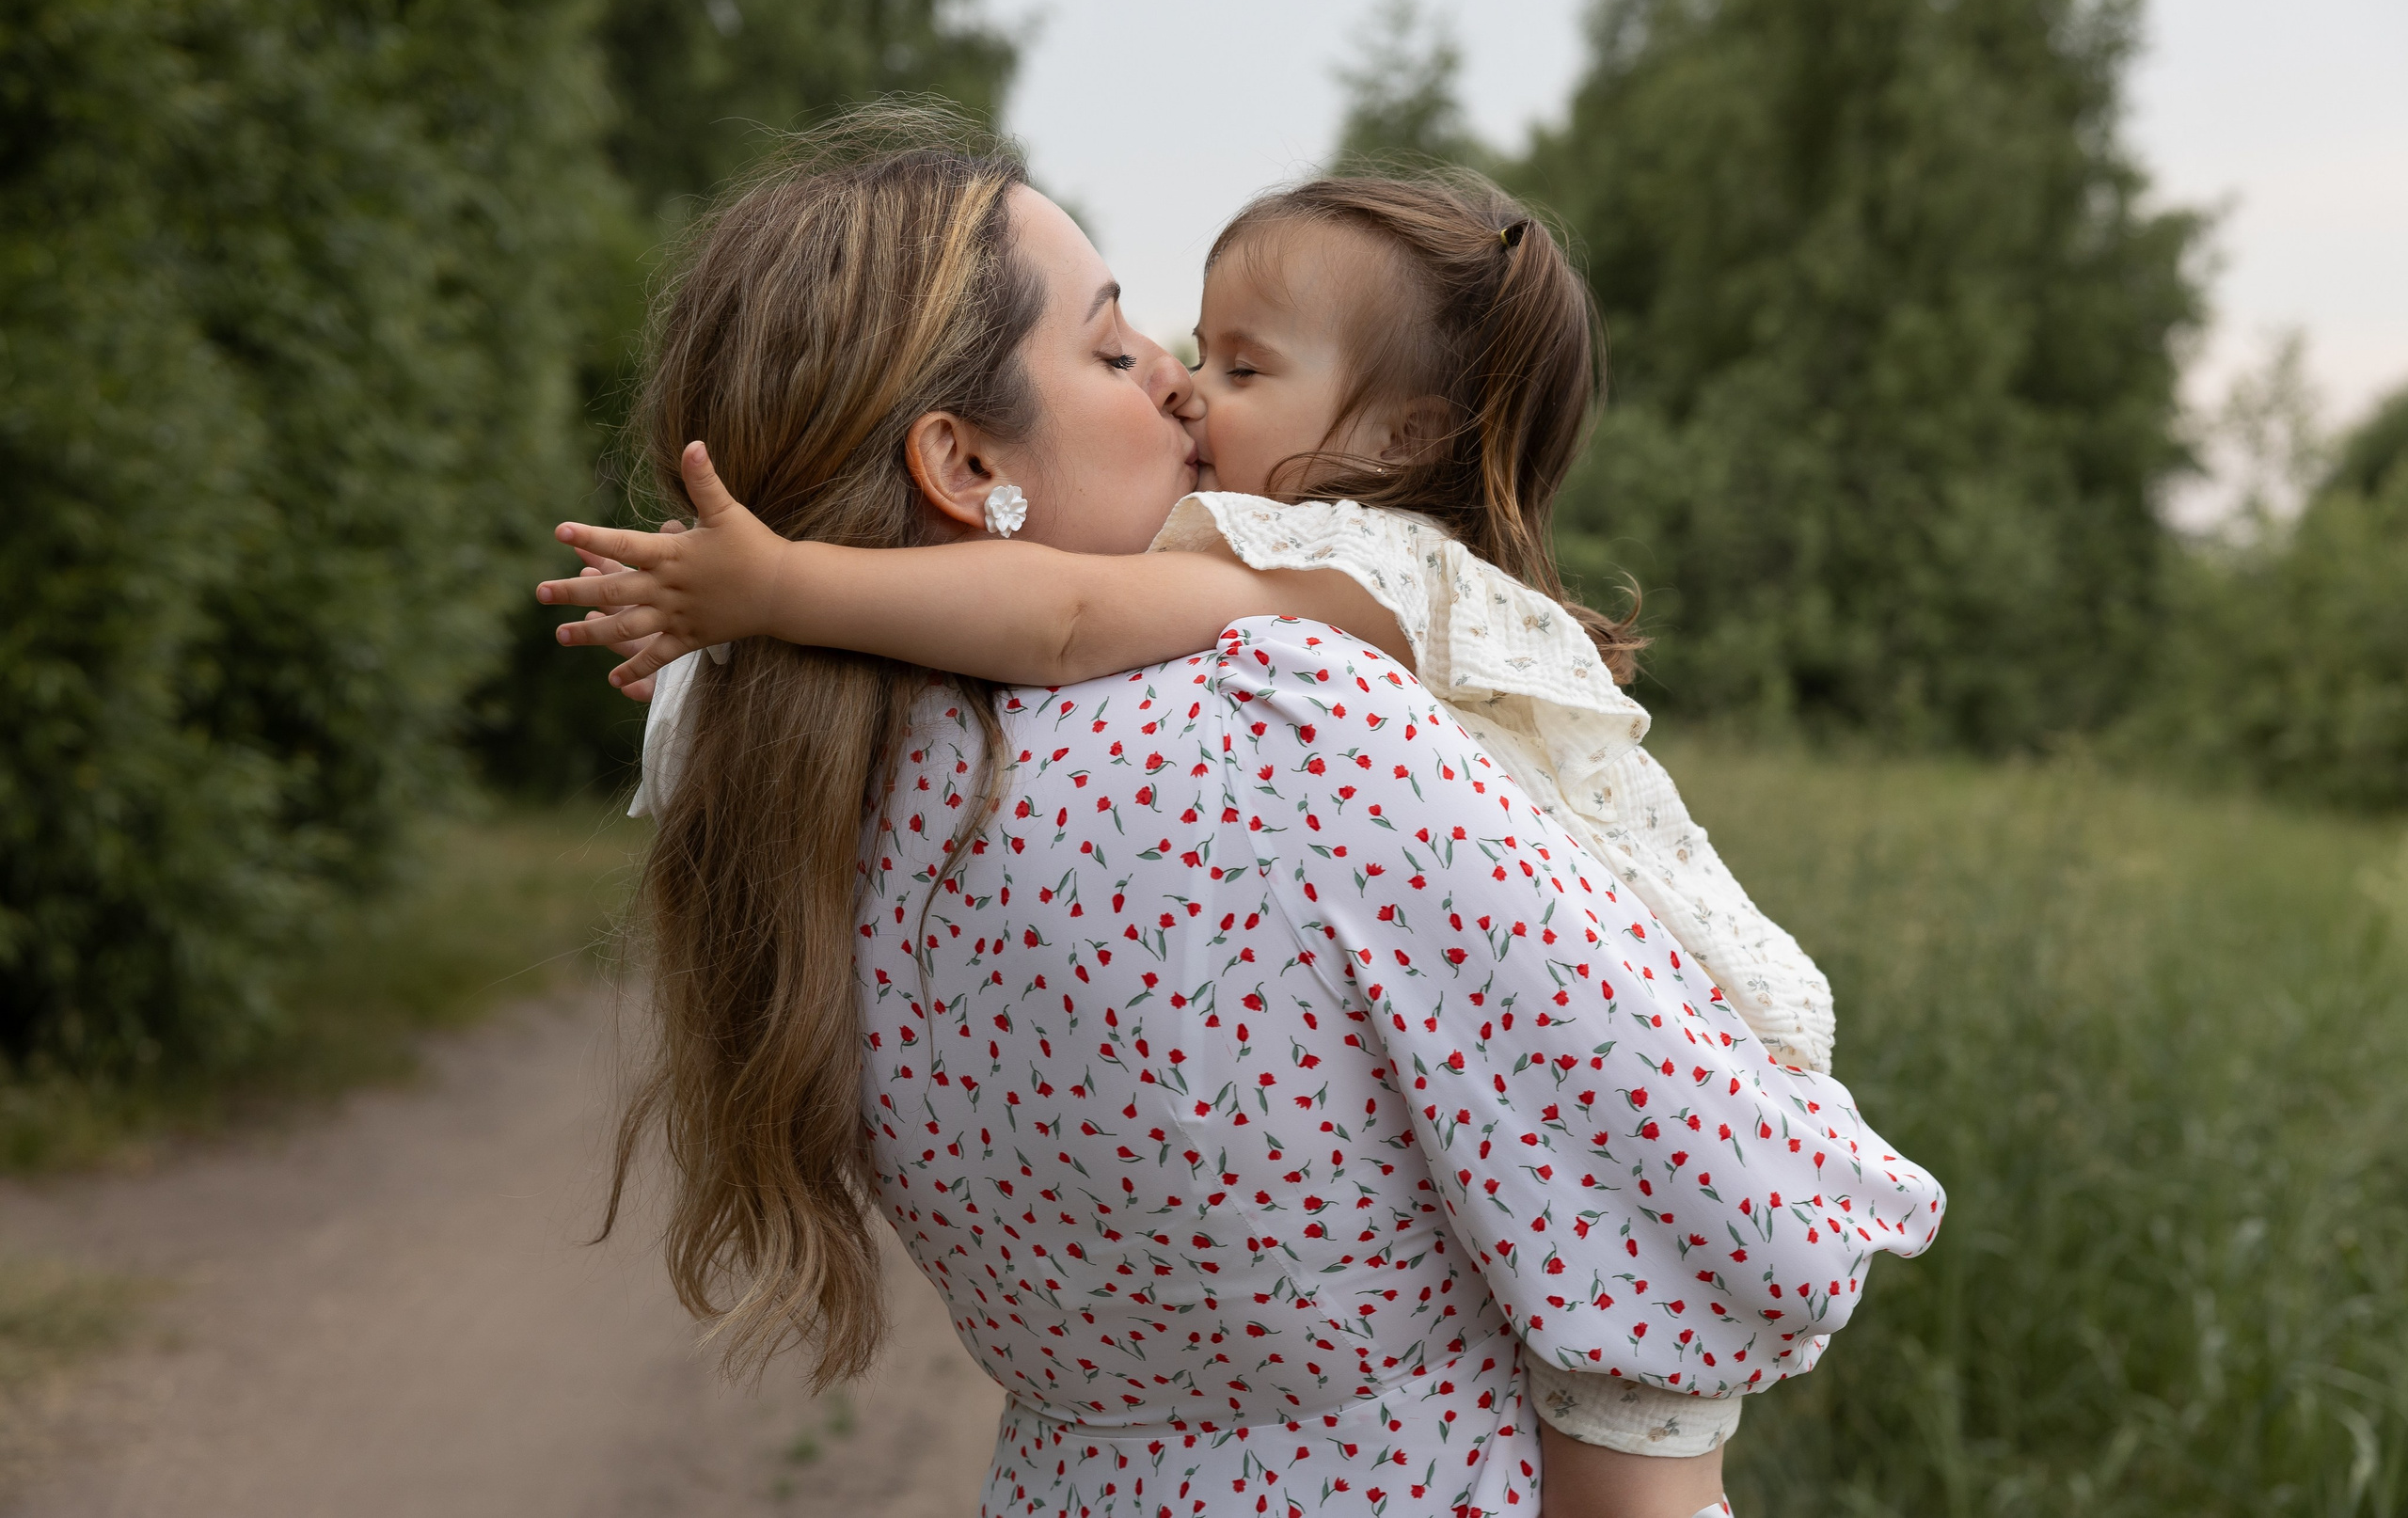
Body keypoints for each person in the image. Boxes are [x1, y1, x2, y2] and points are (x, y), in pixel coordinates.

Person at [566, 110, 1943, 1518]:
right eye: (1117, 350)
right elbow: (1725, 1198)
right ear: (966, 465)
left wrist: (766, 590)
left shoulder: (770, 777)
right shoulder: (1270, 722)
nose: (1176, 387)